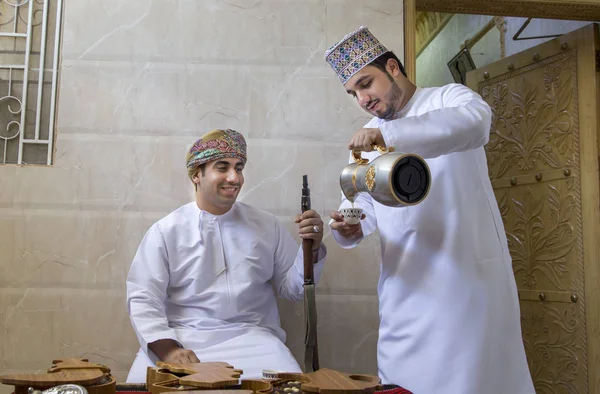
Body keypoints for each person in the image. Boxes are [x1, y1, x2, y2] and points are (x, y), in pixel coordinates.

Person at [324, 26, 534, 394]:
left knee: (473, 382)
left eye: (366, 83)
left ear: (392, 68)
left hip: (464, 282)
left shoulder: (448, 100)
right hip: (405, 289)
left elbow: (476, 124)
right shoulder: (370, 136)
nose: (363, 99)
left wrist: (392, 137)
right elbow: (361, 203)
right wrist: (350, 227)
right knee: (403, 385)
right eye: (353, 92)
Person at [125, 129, 327, 382]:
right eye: (222, 167)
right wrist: (169, 349)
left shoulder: (266, 225)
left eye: (239, 168)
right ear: (197, 174)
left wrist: (312, 248)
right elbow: (143, 298)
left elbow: (294, 290)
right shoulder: (166, 231)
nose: (234, 178)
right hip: (183, 341)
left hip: (255, 341)